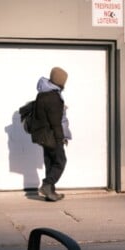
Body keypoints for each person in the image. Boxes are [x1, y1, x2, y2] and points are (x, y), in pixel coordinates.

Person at [34, 67, 71, 202]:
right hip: (53, 136)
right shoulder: (54, 97)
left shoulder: (41, 94)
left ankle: (51, 193)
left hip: (43, 136)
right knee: (60, 162)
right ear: (60, 81)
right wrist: (61, 138)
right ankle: (47, 185)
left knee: (50, 163)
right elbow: (56, 122)